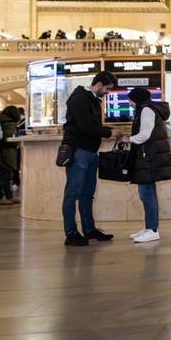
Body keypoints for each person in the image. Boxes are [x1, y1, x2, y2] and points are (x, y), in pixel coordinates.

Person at [61, 71, 122, 246]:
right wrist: (109, 132)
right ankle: (71, 232)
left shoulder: (92, 99)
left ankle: (89, 230)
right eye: (107, 89)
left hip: (90, 152)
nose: (107, 93)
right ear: (99, 84)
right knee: (72, 193)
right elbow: (85, 125)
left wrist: (108, 129)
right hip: (79, 151)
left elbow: (91, 124)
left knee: (87, 194)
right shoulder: (80, 98)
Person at [121, 87, 171, 243]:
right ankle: (149, 227)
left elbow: (145, 135)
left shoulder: (146, 110)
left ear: (136, 99)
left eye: (130, 99)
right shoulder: (146, 109)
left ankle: (152, 230)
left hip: (148, 157)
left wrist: (128, 139)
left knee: (147, 195)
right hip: (148, 156)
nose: (129, 103)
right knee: (146, 194)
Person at [0, 106, 21, 206]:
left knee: (6, 174)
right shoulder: (10, 123)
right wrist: (17, 141)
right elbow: (9, 139)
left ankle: (9, 196)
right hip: (7, 152)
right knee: (4, 175)